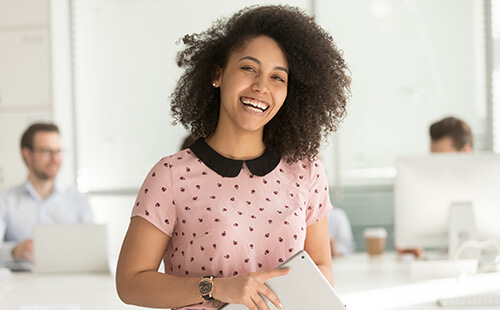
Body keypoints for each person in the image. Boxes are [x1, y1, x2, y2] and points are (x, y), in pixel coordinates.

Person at [115, 5, 351, 310]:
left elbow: (321, 266)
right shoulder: (171, 175)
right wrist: (217, 288)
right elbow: (130, 282)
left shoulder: (306, 170)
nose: (261, 87)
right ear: (218, 74)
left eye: (278, 77)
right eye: (249, 68)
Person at [0, 123, 93, 265]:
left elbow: (92, 248)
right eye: (47, 152)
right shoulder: (5, 201)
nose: (55, 159)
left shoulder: (78, 199)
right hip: (20, 283)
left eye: (58, 151)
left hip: (69, 281)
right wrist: (14, 251)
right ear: (27, 155)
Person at [397, 116, 474, 258]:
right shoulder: (428, 191)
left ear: (465, 152)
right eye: (432, 159)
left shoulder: (487, 189)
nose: (436, 167)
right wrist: (412, 247)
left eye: (442, 160)